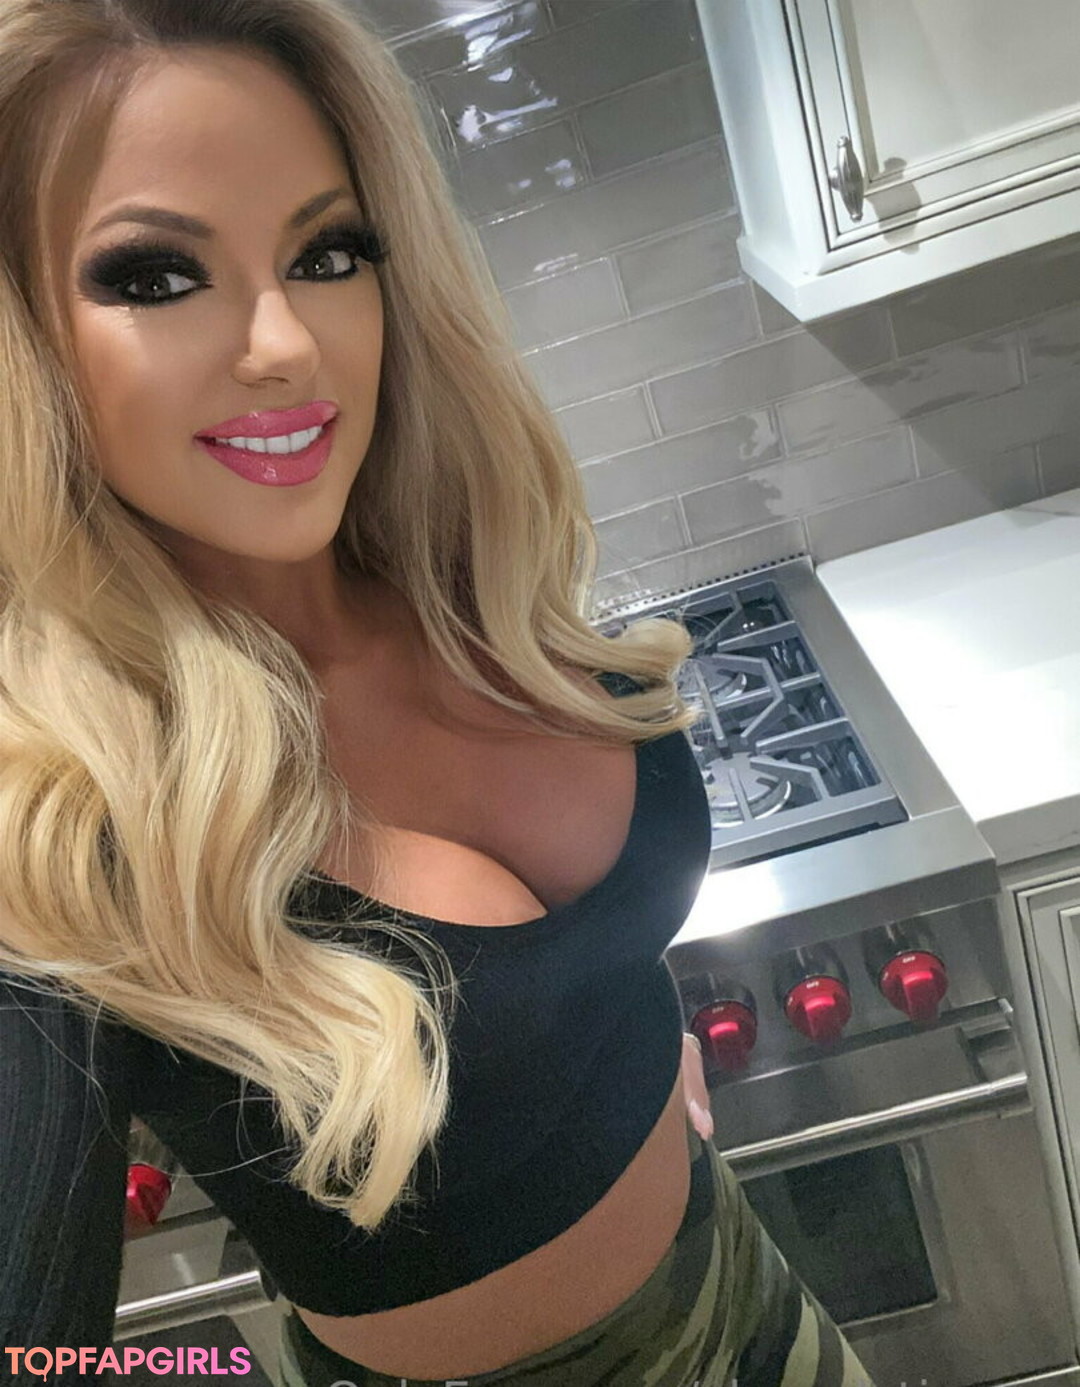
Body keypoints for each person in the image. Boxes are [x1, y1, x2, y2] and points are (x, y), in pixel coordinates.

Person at [0, 2, 875, 1384]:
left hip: (749, 1290)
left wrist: (622, 1046)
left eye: (326, 253)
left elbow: (562, 969)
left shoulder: (461, 585)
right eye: (156, 276)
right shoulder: (60, 814)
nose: (287, 342)